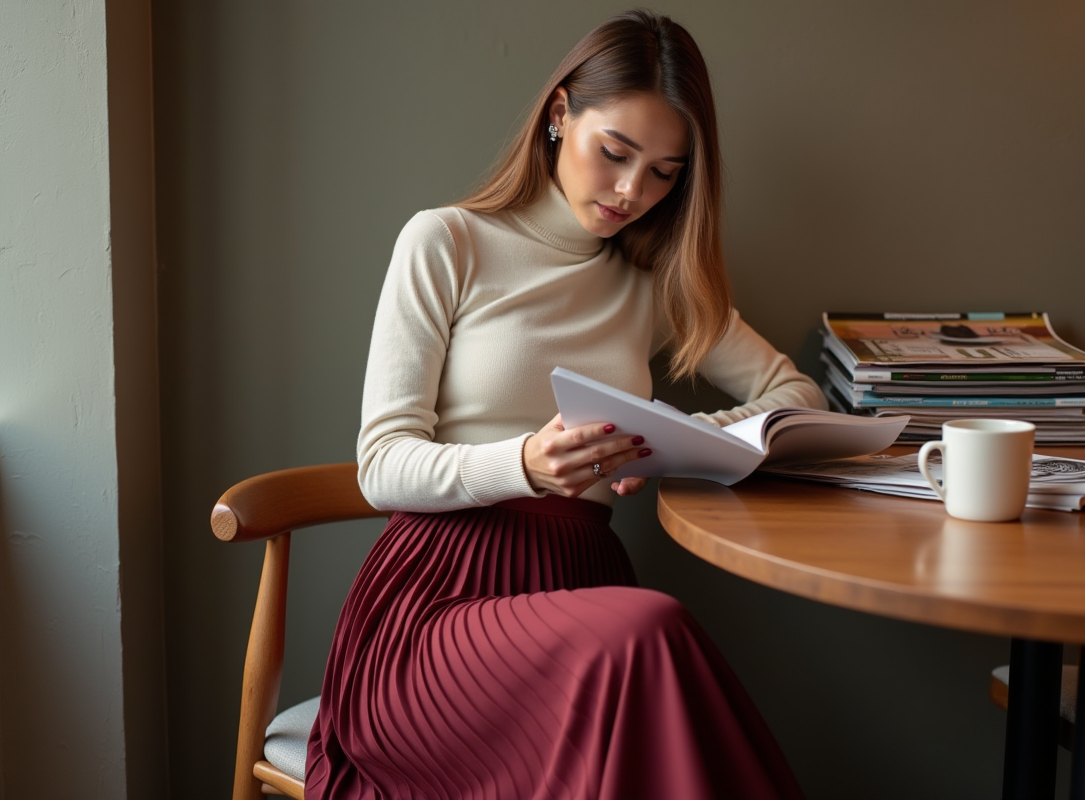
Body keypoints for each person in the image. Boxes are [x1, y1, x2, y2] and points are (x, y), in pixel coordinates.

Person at [306, 10, 826, 800]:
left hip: (580, 580)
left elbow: (796, 394)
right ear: (559, 116)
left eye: (664, 172)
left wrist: (673, 439)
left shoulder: (650, 285)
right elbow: (382, 467)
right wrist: (524, 463)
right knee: (650, 632)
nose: (631, 191)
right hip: (437, 600)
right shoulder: (447, 242)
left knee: (637, 649)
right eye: (615, 153)